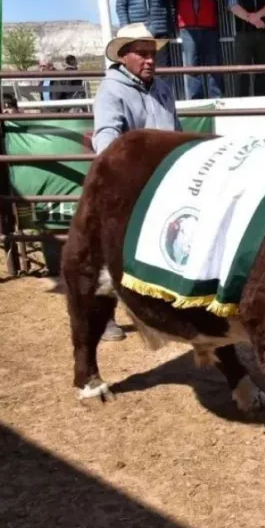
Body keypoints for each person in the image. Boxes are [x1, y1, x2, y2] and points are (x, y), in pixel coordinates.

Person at [92, 22, 181, 341]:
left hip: (165, 180)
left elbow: (176, 131)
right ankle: (103, 316)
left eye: (152, 53)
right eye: (141, 54)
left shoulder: (163, 89)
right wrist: (121, 173)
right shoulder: (111, 91)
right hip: (130, 183)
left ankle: (162, 309)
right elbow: (106, 135)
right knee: (115, 250)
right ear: (123, 56)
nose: (149, 60)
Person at [167, 0, 224, 99]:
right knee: (191, 68)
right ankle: (195, 102)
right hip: (188, 29)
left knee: (214, 67)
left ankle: (217, 101)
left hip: (209, 26)